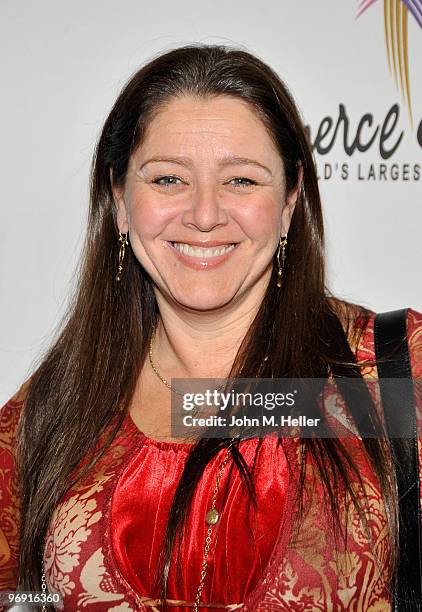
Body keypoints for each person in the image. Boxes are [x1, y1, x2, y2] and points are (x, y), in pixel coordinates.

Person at [0, 44, 421, 612]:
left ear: (291, 201)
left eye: (242, 181)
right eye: (169, 178)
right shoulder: (53, 407)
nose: (203, 214)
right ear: (120, 201)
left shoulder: (396, 371)